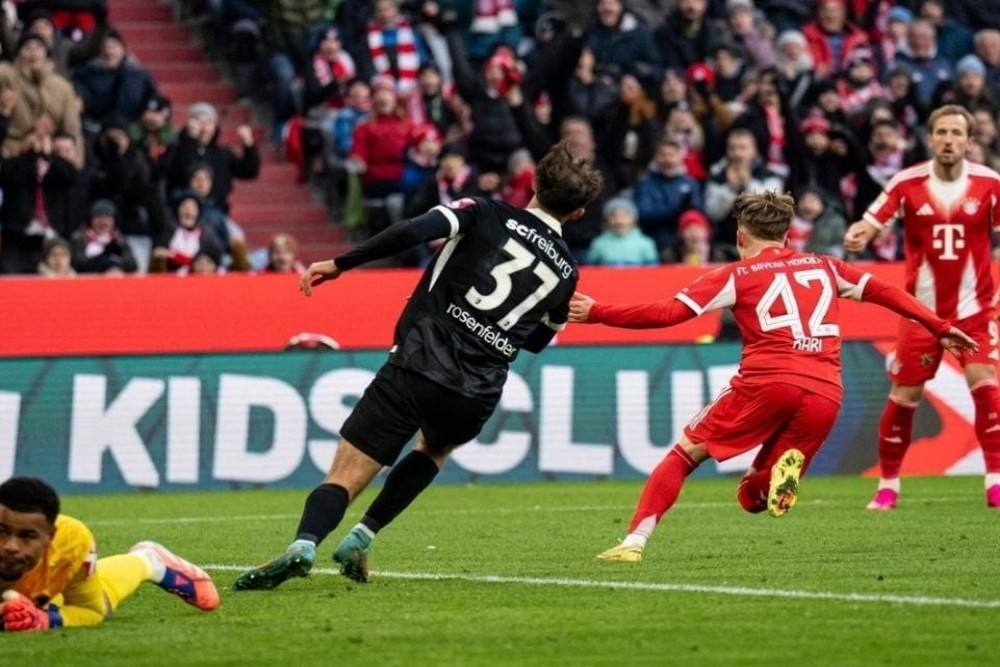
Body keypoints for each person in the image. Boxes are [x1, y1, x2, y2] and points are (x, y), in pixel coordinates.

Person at [233, 141, 603, 589]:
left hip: (418, 361)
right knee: (434, 450)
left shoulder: (485, 212)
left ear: (533, 182)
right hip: (476, 392)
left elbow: (414, 230)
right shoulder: (567, 272)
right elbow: (539, 342)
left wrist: (341, 263)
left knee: (347, 475)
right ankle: (363, 535)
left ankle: (305, 543)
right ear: (579, 213)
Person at [570, 191, 975, 562]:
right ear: (785, 234)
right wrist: (939, 326)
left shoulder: (735, 275)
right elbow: (887, 292)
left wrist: (597, 312)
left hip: (768, 381)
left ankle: (634, 541)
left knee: (685, 453)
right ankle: (780, 474)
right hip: (826, 392)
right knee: (751, 497)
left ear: (741, 235)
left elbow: (667, 314)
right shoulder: (825, 266)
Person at [844, 104, 1000, 510]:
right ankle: (888, 485)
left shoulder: (990, 184)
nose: (949, 140)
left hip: (975, 311)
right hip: (922, 315)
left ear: (969, 141)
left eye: (956, 133)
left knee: (987, 390)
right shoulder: (906, 183)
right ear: (930, 139)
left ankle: (995, 482)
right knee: (905, 396)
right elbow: (873, 220)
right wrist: (860, 232)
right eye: (942, 132)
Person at [0, 476, 218, 632]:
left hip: (44, 573)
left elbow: (91, 612)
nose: (11, 546)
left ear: (50, 535)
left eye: (27, 536)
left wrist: (44, 620)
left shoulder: (71, 542)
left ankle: (147, 562)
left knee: (98, 603)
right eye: (1, 531)